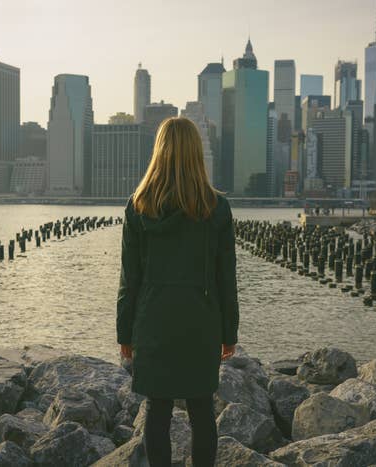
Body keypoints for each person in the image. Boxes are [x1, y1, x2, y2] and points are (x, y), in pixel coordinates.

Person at [116, 117, 240, 466]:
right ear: (196, 154)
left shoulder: (138, 207)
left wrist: (124, 332)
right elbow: (226, 280)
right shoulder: (217, 209)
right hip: (201, 322)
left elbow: (130, 279)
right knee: (201, 410)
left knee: (157, 410)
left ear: (159, 152)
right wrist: (229, 332)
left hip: (153, 321)